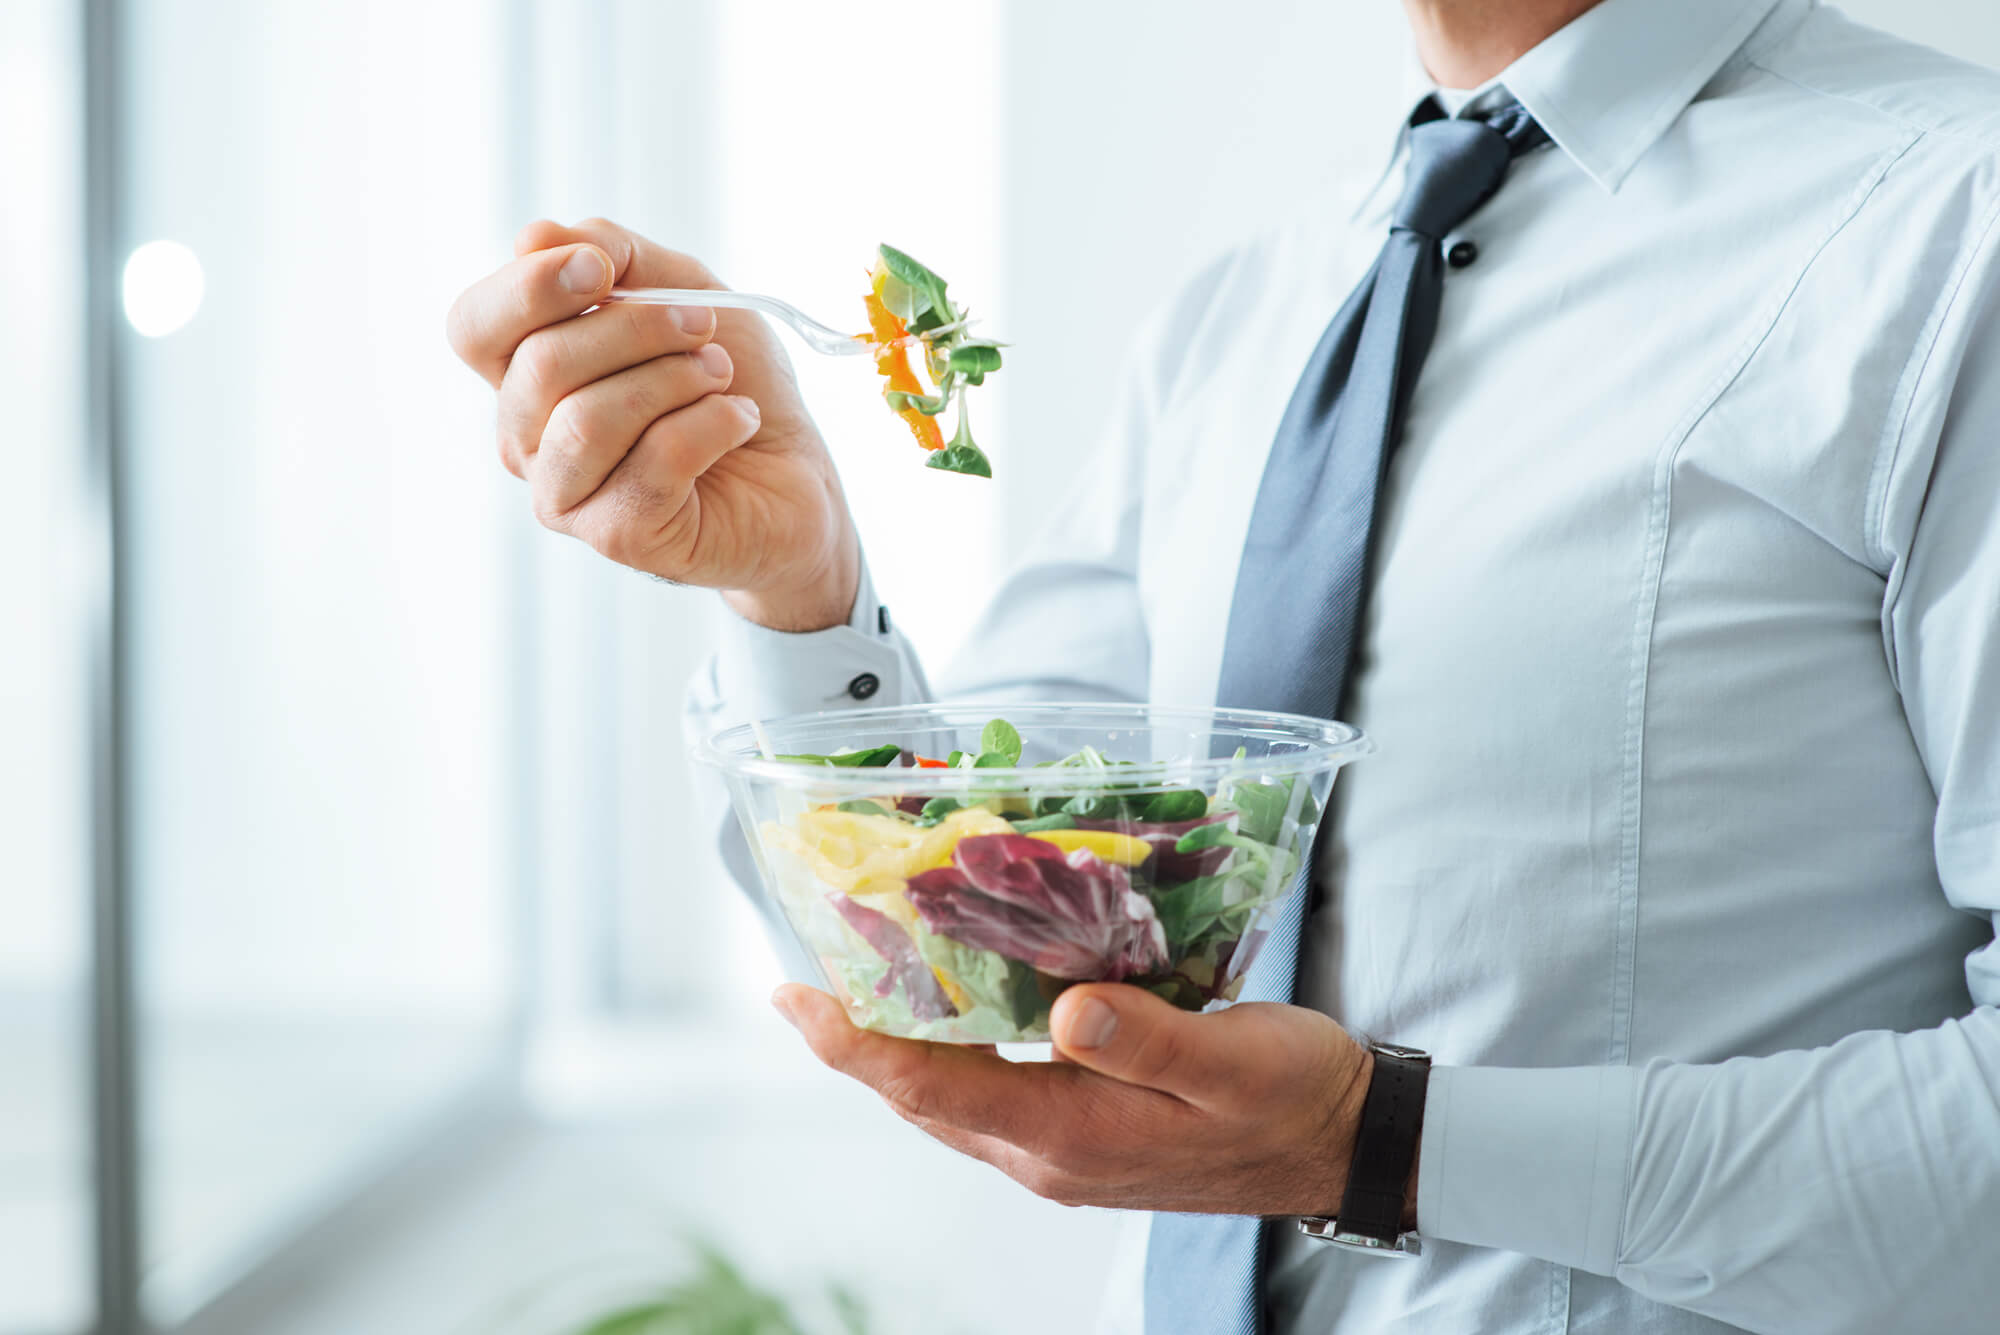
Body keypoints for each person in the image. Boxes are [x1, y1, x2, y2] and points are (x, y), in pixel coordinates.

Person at [446, 0, 2000, 1329]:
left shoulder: (1957, 229)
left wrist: (1381, 1147)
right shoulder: (1248, 312)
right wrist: (798, 592)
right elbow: (971, 928)